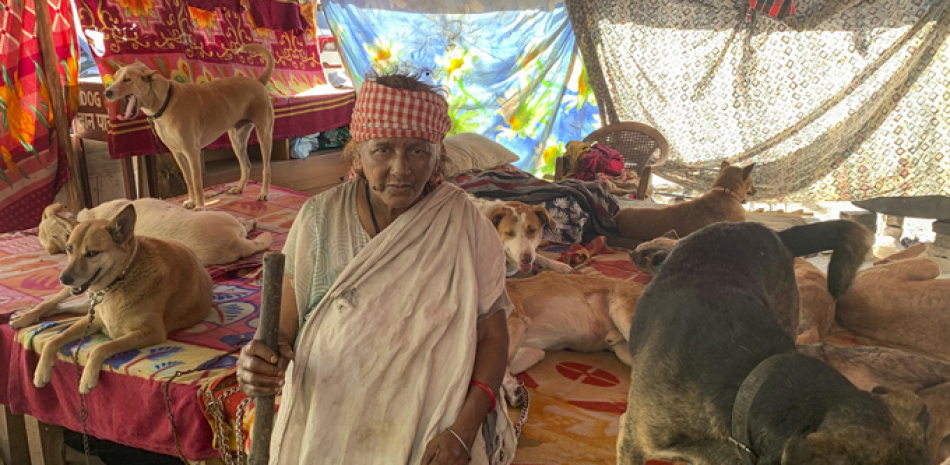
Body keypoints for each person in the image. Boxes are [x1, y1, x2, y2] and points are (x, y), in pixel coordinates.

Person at [236, 73, 517, 465]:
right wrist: (262, 362)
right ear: (357, 153)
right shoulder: (320, 218)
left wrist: (462, 432)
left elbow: (492, 335)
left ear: (439, 155)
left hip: (432, 427)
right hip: (330, 421)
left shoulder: (465, 224)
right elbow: (284, 327)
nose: (401, 168)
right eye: (383, 150)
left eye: (418, 151)